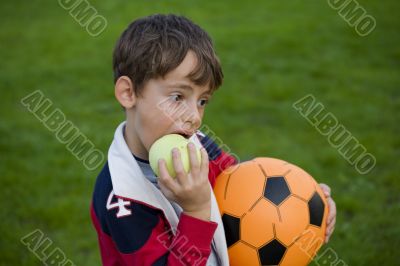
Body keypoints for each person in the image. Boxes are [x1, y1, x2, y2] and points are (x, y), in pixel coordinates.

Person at [90, 14, 337, 266]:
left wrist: (308, 203)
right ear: (129, 93)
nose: (193, 118)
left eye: (202, 101)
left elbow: (244, 192)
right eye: (177, 97)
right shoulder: (121, 199)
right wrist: (196, 211)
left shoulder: (199, 145)